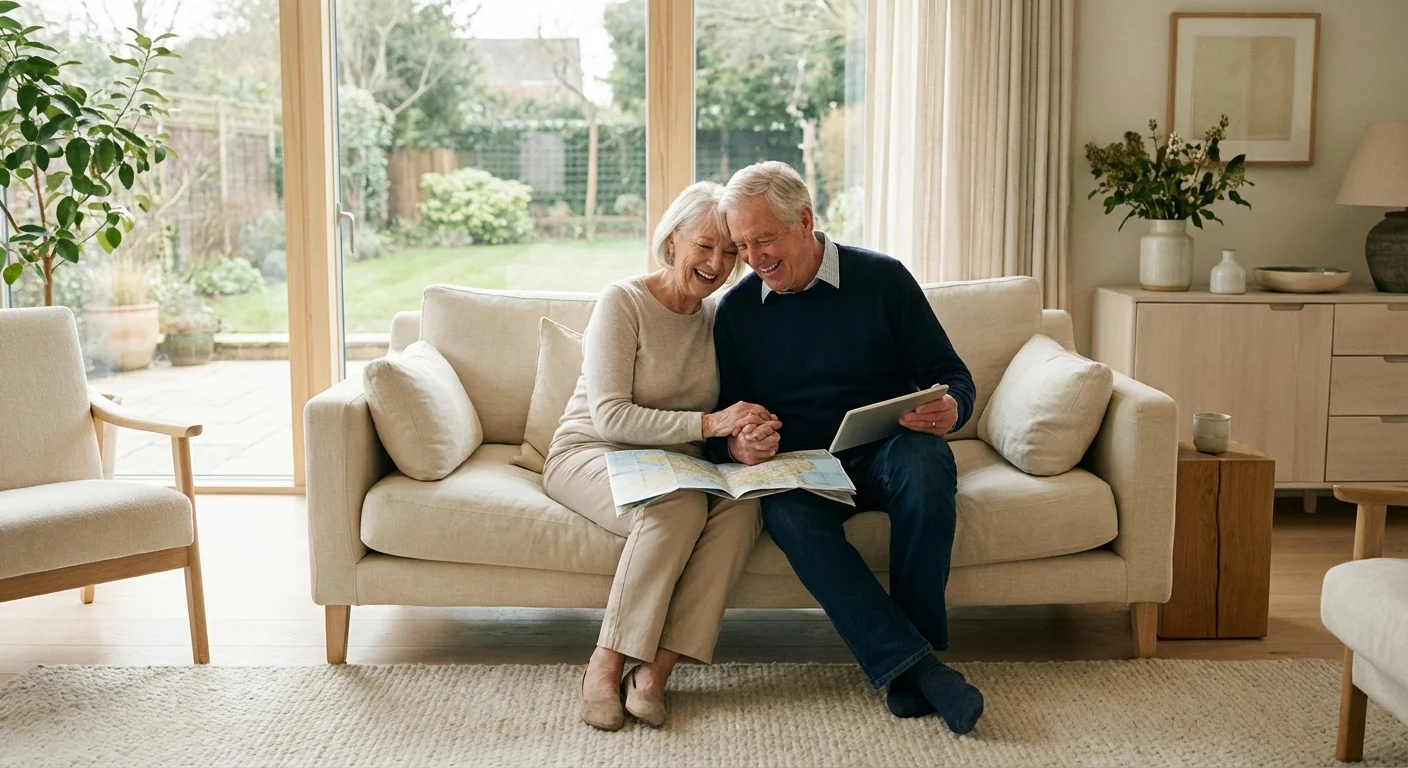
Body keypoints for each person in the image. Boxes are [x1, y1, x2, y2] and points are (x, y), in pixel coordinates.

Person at [707, 161, 985, 734]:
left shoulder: (883, 279)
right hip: (801, 469)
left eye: (765, 239)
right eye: (742, 245)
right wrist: (742, 448)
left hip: (886, 451)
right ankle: (921, 669)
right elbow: (725, 423)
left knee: (929, 462)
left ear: (804, 219)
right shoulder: (736, 313)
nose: (754, 259)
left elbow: (953, 376)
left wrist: (952, 407)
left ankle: (910, 662)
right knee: (784, 512)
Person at [543, 181, 777, 731]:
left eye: (729, 251)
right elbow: (611, 417)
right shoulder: (622, 301)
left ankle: (657, 669)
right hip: (592, 452)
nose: (716, 262)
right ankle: (607, 660)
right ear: (672, 241)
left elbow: (724, 412)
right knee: (677, 505)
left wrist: (740, 437)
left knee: (747, 507)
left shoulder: (720, 318)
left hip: (679, 465)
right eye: (704, 245)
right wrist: (711, 423)